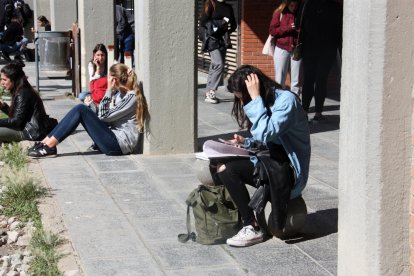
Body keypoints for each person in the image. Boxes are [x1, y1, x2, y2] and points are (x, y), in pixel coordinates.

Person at [212, 65, 310, 247]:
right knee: (219, 164)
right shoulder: (267, 99)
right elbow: (266, 140)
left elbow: (267, 133)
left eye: (244, 98)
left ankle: (252, 226)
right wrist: (244, 142)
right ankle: (242, 218)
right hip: (271, 161)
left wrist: (255, 98)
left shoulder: (286, 101)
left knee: (229, 170)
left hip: (288, 172)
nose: (242, 104)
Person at [27, 63, 148, 158]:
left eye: (109, 77)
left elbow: (104, 116)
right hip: (112, 139)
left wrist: (108, 91)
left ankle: (49, 146)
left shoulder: (131, 97)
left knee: (80, 110)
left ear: (114, 80)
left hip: (118, 145)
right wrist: (92, 106)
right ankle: (45, 143)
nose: (107, 80)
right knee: (80, 109)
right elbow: (105, 116)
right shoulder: (120, 94)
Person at [299, 0, 342, 121]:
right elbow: (339, 29)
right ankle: (318, 113)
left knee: (308, 80)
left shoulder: (307, 4)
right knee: (321, 81)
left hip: (309, 50)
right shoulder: (335, 6)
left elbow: (299, 25)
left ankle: (304, 111)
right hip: (328, 50)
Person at [0, 62, 52, 142]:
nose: (2, 83)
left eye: (4, 80)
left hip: (31, 132)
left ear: (14, 79)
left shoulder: (23, 93)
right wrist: (3, 107)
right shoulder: (21, 90)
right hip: (26, 128)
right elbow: (17, 116)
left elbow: (16, 122)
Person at [200, 0, 236, 104]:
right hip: (211, 40)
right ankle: (211, 91)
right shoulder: (211, 4)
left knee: (215, 65)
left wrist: (227, 31)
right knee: (219, 64)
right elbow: (203, 22)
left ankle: (208, 91)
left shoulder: (228, 8)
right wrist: (220, 23)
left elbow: (233, 25)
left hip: (222, 40)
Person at [269, 0, 301, 95]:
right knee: (280, 78)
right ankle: (279, 101)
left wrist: (299, 30)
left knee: (296, 80)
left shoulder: (300, 13)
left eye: (296, 5)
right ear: (287, 3)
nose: (294, 7)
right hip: (282, 48)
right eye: (292, 5)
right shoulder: (279, 13)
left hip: (297, 48)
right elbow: (272, 31)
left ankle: (296, 101)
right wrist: (288, 28)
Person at [78, 44, 108, 111]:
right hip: (95, 90)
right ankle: (93, 107)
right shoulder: (91, 64)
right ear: (94, 55)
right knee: (82, 95)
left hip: (105, 90)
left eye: (102, 55)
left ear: (105, 55)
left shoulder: (109, 63)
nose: (100, 58)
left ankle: (93, 106)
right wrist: (98, 67)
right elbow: (93, 80)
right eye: (98, 55)